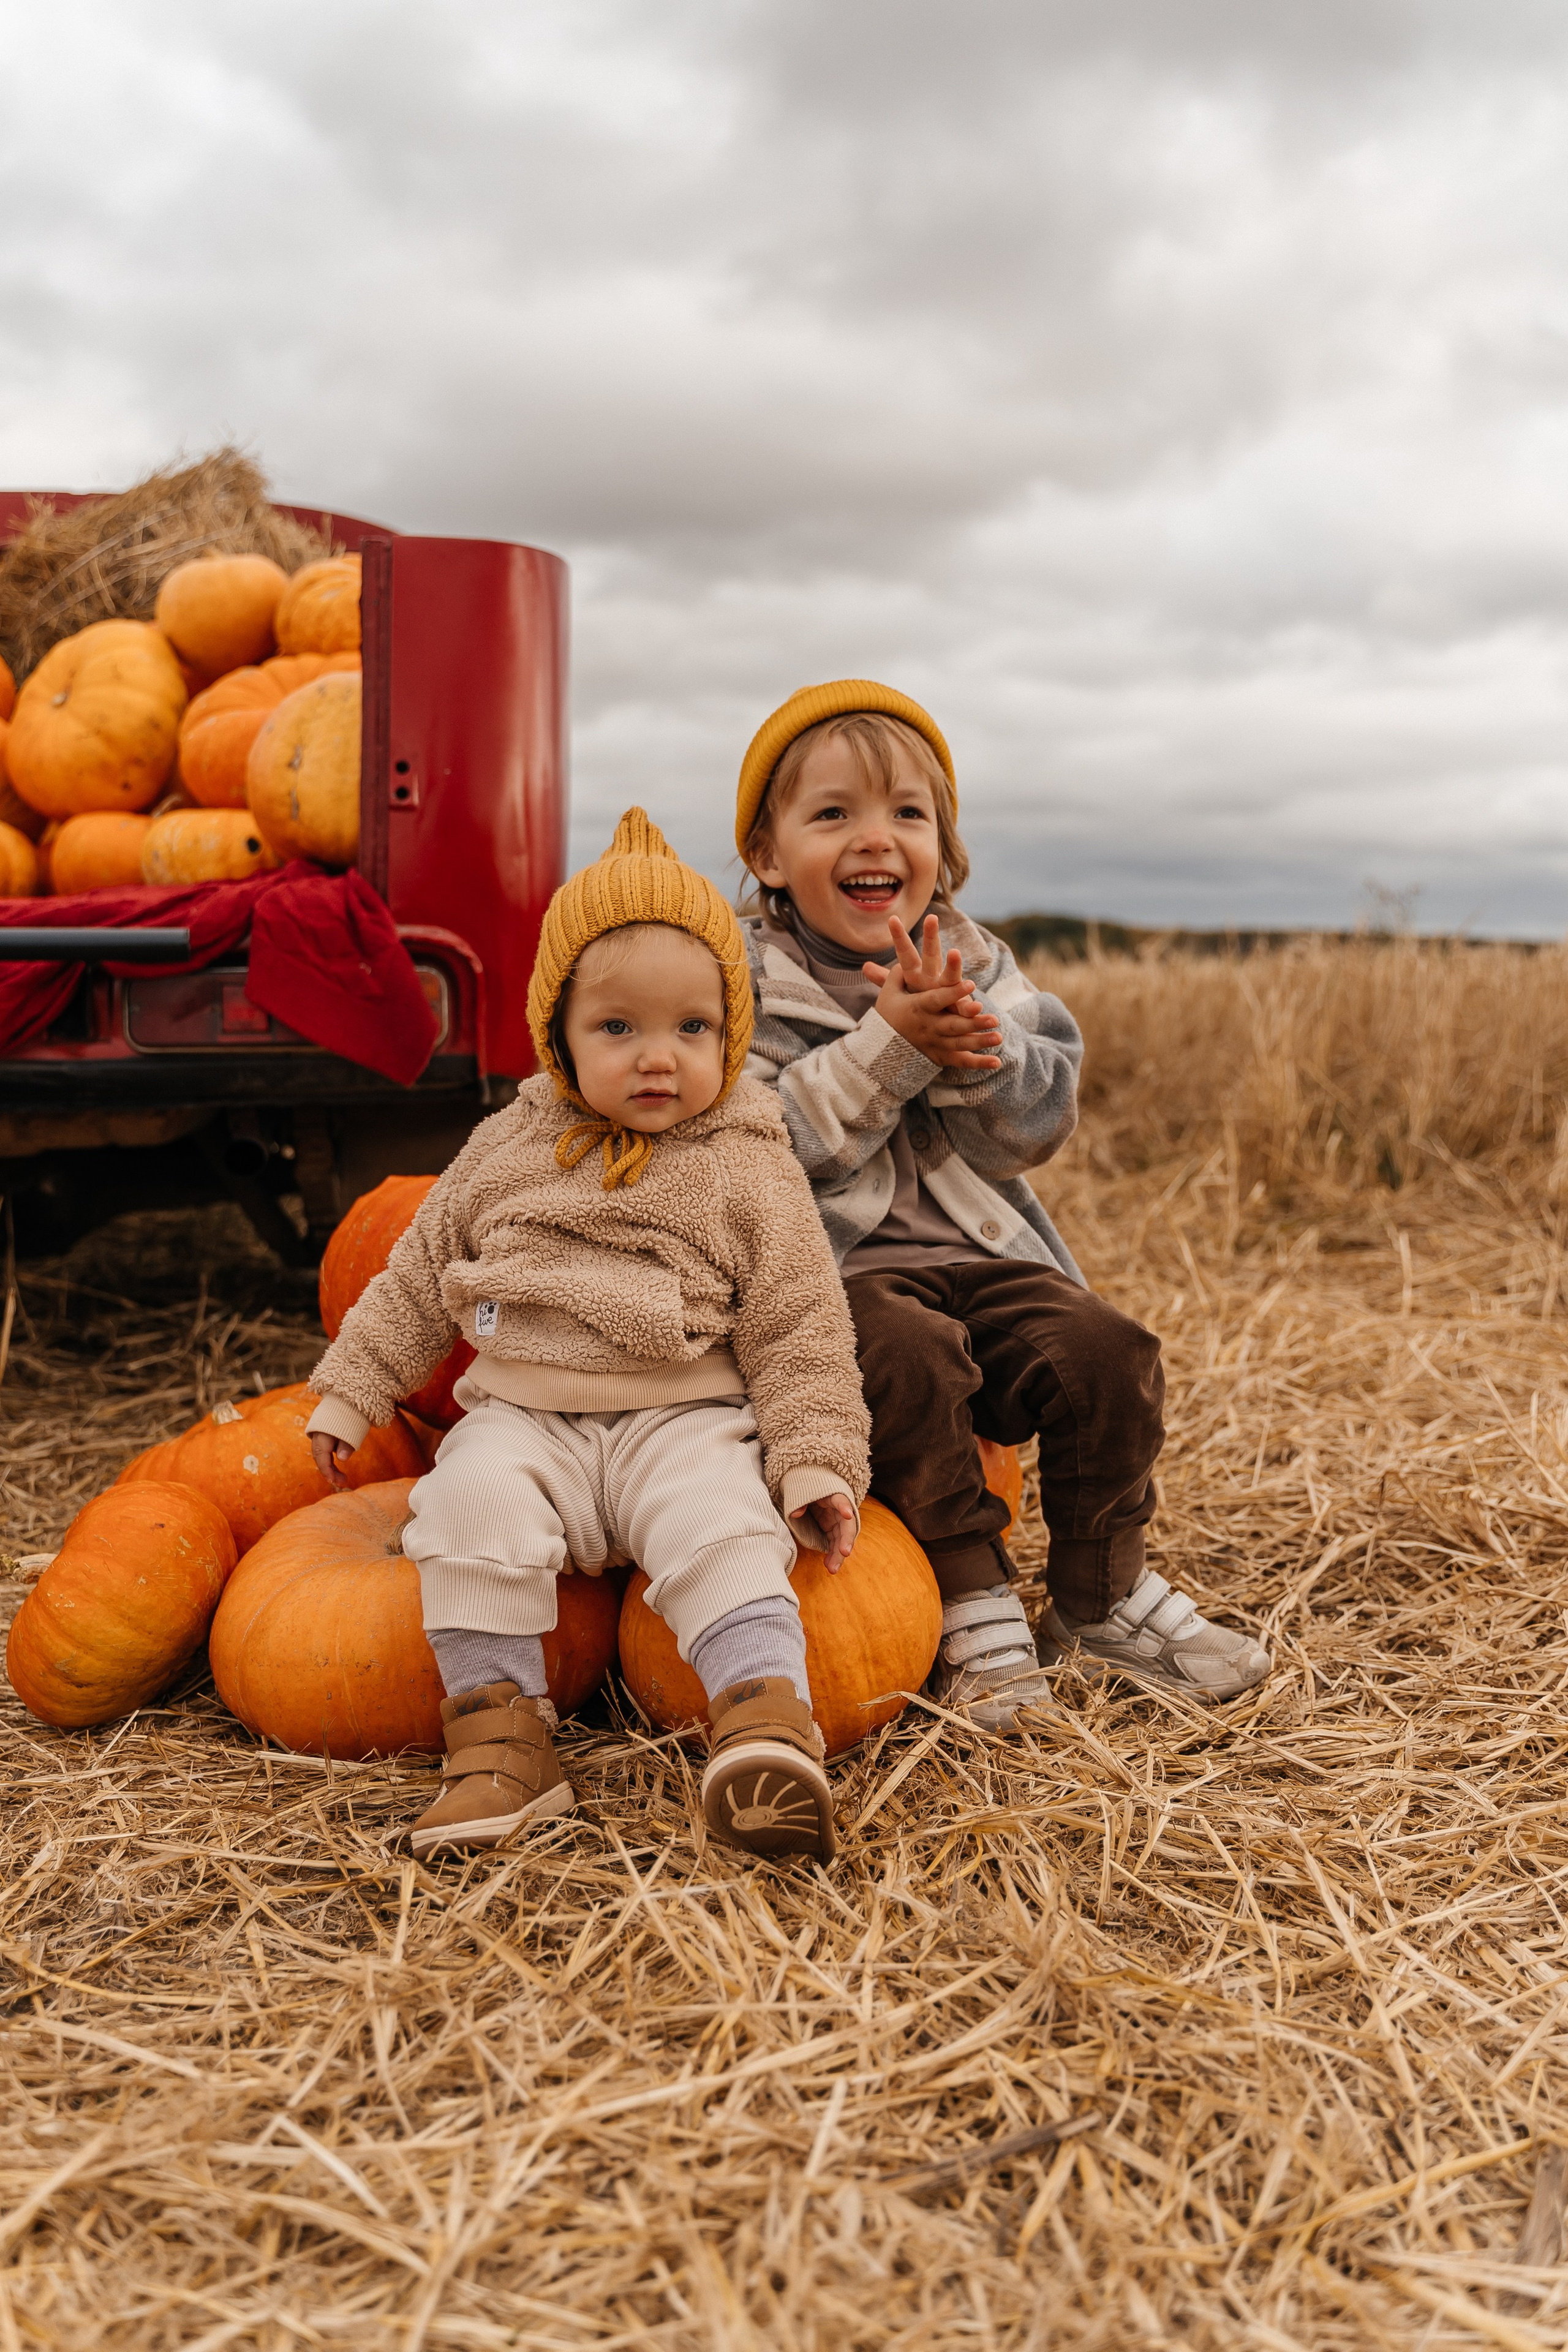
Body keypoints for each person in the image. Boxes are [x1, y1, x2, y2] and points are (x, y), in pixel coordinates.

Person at [306, 809, 869, 1864]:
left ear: (730, 1032)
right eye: (618, 1029)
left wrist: (817, 1458)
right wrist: (352, 1391)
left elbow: (801, 1326)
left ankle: (763, 1728)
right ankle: (501, 1748)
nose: (659, 1058)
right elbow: (418, 1273)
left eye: (692, 1028)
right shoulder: (505, 1147)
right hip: (525, 1420)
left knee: (727, 1528)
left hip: (685, 1419)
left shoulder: (748, 1160)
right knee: (463, 1509)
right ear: (558, 1032)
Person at [734, 679, 1271, 1729]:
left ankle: (1100, 1594)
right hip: (838, 1282)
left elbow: (1034, 1129)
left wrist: (972, 1046)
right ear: (768, 855)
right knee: (905, 1356)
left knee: (1107, 1352)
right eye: (833, 813)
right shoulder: (744, 983)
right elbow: (759, 1156)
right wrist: (888, 1047)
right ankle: (969, 1599)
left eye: (906, 813)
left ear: (943, 847)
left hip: (982, 1261)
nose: (874, 837)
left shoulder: (976, 963)